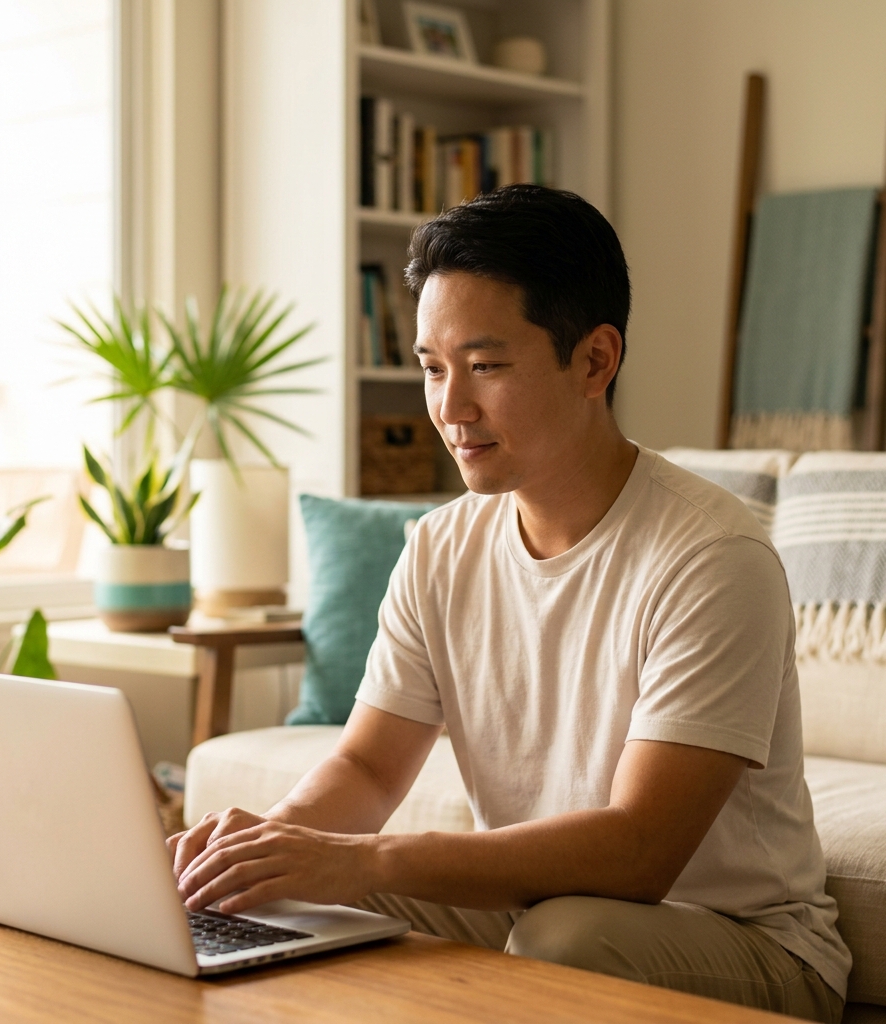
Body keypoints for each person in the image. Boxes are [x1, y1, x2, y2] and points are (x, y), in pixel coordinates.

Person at [169, 185, 850, 1023]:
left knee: (560, 942)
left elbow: (639, 850)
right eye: (431, 368)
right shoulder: (439, 546)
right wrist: (268, 851)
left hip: (743, 940)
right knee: (278, 909)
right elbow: (369, 767)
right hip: (538, 905)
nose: (450, 410)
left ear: (595, 361)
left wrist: (366, 862)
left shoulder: (711, 556)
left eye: (486, 366)